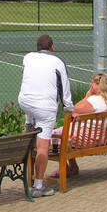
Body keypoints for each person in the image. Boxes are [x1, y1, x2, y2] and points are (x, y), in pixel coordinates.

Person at [17, 34, 73, 198]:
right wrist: (69, 108)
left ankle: (29, 124)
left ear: (37, 47)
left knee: (30, 111)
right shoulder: (58, 62)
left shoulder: (27, 58)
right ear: (52, 47)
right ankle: (39, 185)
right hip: (45, 108)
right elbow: (65, 90)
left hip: (25, 102)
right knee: (42, 147)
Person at [48, 72, 107, 179]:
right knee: (61, 132)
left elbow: (74, 108)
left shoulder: (94, 100)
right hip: (103, 137)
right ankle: (73, 166)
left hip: (88, 139)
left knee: (54, 135)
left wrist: (87, 96)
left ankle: (67, 168)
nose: (90, 85)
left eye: (92, 83)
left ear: (98, 85)